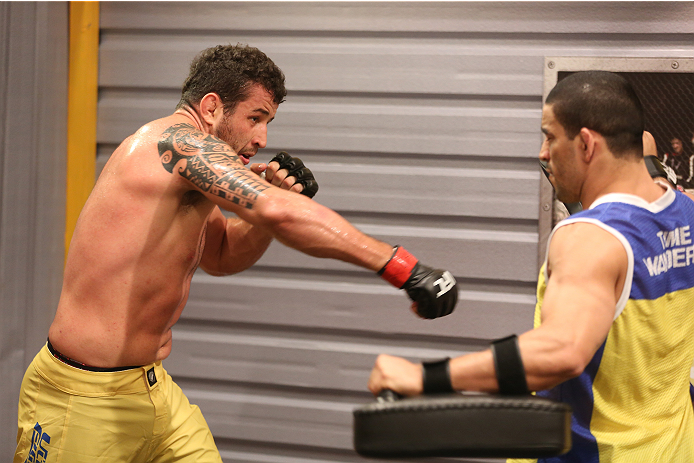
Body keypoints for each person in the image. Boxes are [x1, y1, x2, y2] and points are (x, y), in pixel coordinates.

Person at [13, 44, 458, 463]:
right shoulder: (172, 147)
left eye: (269, 123)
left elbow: (222, 255)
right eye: (255, 118)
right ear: (211, 107)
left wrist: (265, 212)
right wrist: (402, 267)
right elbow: (281, 214)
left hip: (151, 389)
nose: (262, 137)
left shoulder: (191, 173)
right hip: (82, 395)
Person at [367, 71, 694, 462]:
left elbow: (562, 350)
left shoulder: (589, 238)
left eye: (551, 137)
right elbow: (642, 146)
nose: (543, 152)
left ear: (587, 144)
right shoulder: (684, 212)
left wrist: (422, 378)